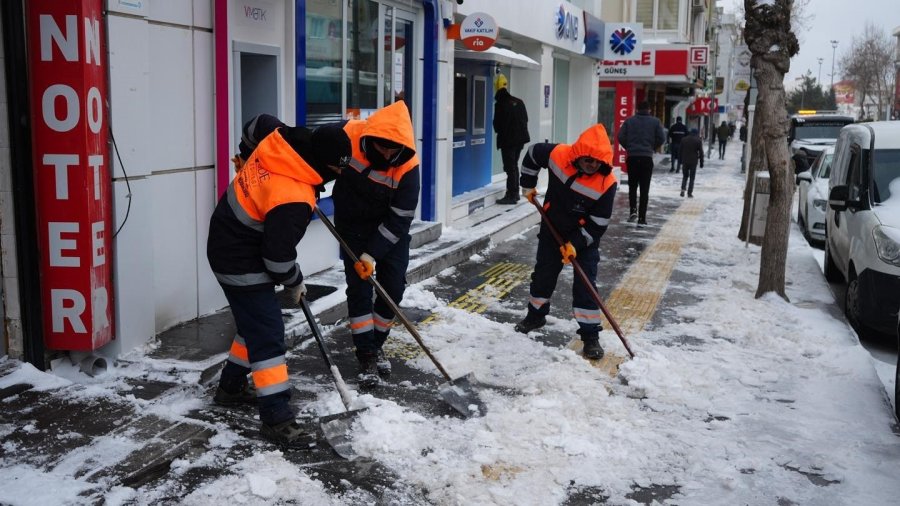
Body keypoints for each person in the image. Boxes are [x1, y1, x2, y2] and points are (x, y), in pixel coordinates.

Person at [207, 121, 352, 444]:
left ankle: (230, 388)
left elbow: (257, 123)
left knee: (254, 323)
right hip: (239, 257)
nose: (338, 176)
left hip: (230, 241)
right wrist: (295, 281)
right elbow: (277, 259)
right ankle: (276, 418)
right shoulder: (293, 195)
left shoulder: (281, 149)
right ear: (321, 163)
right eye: (335, 170)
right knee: (269, 336)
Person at [332, 101, 421, 388]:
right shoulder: (348, 135)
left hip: (389, 231)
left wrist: (372, 254)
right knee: (358, 290)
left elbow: (400, 219)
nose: (385, 153)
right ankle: (366, 354)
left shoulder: (408, 167)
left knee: (392, 287)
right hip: (352, 228)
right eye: (381, 146)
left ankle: (378, 341)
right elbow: (315, 155)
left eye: (391, 149)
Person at [513, 124, 618, 360]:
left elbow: (598, 223)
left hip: (584, 239)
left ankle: (590, 336)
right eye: (588, 160)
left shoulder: (606, 183)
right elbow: (532, 153)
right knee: (543, 275)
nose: (592, 165)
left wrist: (576, 244)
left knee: (585, 285)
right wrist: (528, 183)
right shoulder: (559, 155)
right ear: (578, 154)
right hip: (553, 229)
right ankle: (536, 315)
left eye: (597, 162)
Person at [617, 100, 665, 226]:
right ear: (649, 109)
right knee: (645, 189)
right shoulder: (655, 122)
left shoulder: (629, 121)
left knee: (632, 186)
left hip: (632, 158)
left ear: (637, 109)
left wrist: (629, 147)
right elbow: (662, 138)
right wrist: (652, 147)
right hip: (646, 158)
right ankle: (642, 218)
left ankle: (633, 211)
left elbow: (620, 136)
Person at [493, 74, 530, 204]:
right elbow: (525, 119)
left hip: (508, 141)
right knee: (514, 166)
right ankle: (515, 193)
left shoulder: (500, 104)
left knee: (510, 168)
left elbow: (497, 125)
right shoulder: (519, 101)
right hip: (520, 141)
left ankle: (512, 195)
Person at [679, 128, 704, 198]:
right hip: (693, 162)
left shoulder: (684, 139)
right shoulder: (698, 140)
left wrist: (680, 160)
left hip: (685, 161)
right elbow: (701, 153)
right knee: (692, 178)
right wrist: (701, 162)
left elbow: (680, 151)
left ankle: (683, 190)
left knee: (685, 176)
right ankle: (689, 193)